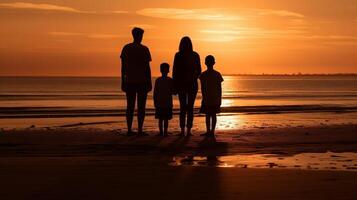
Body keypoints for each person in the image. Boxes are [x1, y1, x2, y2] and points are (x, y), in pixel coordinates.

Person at [120, 27, 152, 135]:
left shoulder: (126, 48)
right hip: (141, 81)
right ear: (139, 36)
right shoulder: (144, 49)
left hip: (130, 80)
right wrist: (149, 82)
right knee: (140, 107)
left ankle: (130, 129)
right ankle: (139, 129)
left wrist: (123, 81)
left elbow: (123, 67)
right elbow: (147, 68)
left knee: (130, 106)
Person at [173, 36, 201, 136]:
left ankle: (182, 131)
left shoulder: (178, 55)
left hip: (182, 84)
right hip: (192, 83)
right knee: (190, 108)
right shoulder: (195, 55)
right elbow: (199, 71)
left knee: (183, 108)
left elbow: (174, 72)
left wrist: (174, 85)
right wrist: (193, 77)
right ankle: (188, 130)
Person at [199, 55, 224, 137]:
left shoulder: (203, 75)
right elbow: (219, 89)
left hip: (207, 98)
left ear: (205, 63)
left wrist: (203, 98)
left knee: (208, 115)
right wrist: (220, 99)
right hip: (214, 98)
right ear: (214, 63)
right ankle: (211, 131)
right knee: (213, 115)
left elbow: (202, 89)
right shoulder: (217, 74)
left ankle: (209, 131)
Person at [154, 63, 174, 136]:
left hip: (160, 102)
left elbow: (155, 92)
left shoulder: (158, 80)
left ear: (160, 70)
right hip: (167, 102)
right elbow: (173, 91)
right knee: (166, 118)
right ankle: (165, 132)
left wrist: (155, 101)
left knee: (160, 118)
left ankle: (161, 132)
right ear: (168, 70)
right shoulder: (170, 80)